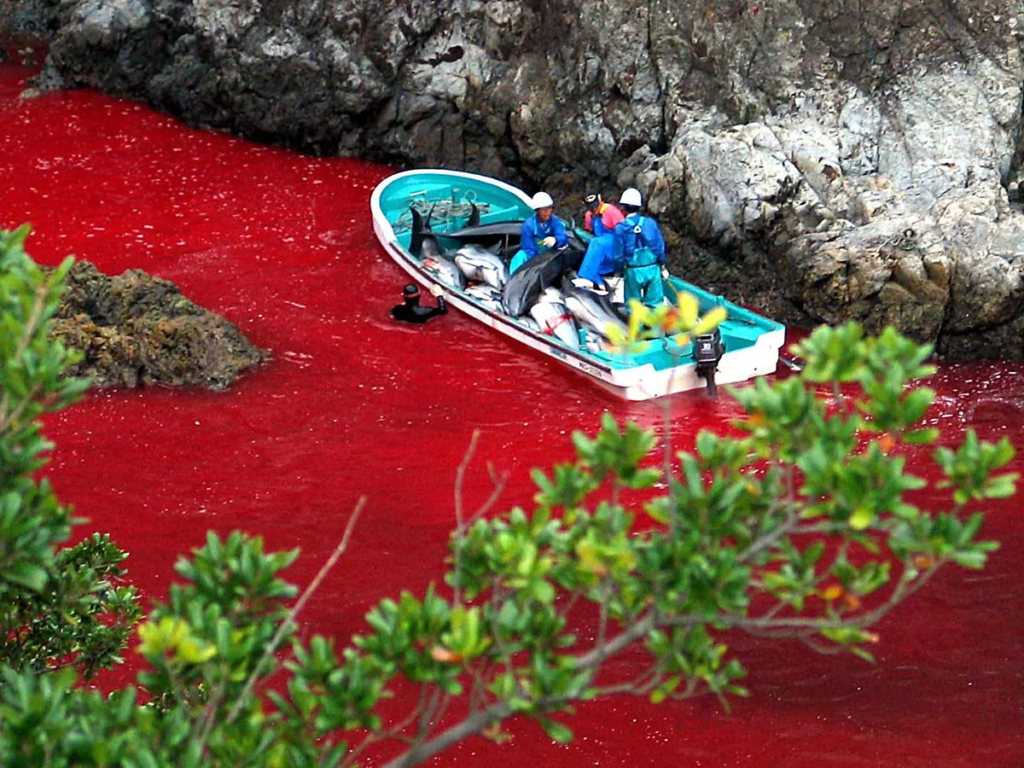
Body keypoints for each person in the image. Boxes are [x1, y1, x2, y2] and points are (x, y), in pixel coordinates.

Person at [612, 187, 667, 308]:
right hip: (653, 269)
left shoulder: (620, 228)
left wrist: (618, 273)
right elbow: (659, 247)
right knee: (656, 304)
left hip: (633, 271)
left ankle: (637, 326)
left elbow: (618, 256)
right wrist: (662, 266)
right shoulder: (650, 223)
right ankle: (654, 325)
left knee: (633, 305)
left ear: (623, 208)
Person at [509, 191, 569, 274]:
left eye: (550, 208)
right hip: (534, 255)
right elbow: (528, 247)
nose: (548, 212)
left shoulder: (555, 222)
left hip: (551, 254)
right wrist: (537, 262)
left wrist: (555, 240)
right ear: (537, 211)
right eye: (544, 210)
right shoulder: (529, 225)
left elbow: (563, 238)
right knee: (520, 256)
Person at [576, 191, 625, 292]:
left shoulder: (611, 211)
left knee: (596, 242)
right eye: (590, 206)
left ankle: (583, 279)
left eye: (595, 205)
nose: (594, 208)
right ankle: (600, 286)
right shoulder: (589, 216)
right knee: (593, 266)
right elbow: (589, 232)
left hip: (615, 247)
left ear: (599, 198)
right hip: (603, 253)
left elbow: (624, 233)